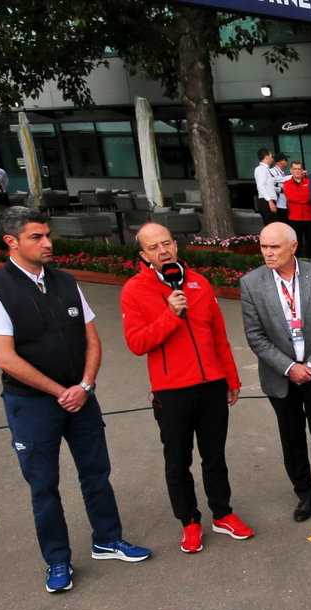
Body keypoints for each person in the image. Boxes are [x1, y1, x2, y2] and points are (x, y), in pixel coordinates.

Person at [0, 207, 150, 593]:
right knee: (44, 485)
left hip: (81, 398)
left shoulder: (66, 281)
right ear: (11, 241)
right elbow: (6, 358)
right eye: (37, 237)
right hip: (33, 407)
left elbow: (91, 338)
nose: (48, 243)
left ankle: (107, 539)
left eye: (47, 235)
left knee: (96, 472)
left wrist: (84, 386)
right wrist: (59, 392)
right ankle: (57, 560)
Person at [120, 223, 251, 554]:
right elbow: (136, 343)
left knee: (214, 456)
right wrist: (169, 314)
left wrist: (230, 379)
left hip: (211, 385)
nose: (163, 251)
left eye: (167, 243)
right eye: (154, 247)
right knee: (177, 460)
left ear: (176, 244)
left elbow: (218, 335)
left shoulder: (199, 282)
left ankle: (222, 513)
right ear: (144, 255)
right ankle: (189, 522)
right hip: (172, 391)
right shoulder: (134, 290)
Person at [238, 222, 311, 523]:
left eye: (274, 247)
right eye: (263, 246)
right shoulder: (251, 283)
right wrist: (290, 368)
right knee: (292, 439)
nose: (267, 253)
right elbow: (255, 336)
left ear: (293, 247)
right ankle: (305, 494)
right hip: (281, 377)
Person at [279, 162, 311, 256]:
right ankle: (298, 264)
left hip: (309, 217)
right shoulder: (287, 183)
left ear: (302, 170)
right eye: (295, 169)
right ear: (291, 170)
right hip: (295, 218)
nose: (297, 171)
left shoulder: (309, 182)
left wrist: (303, 198)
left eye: (299, 169)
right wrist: (305, 198)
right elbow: (291, 197)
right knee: (296, 243)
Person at [253, 148, 279, 216]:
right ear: (266, 157)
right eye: (271, 157)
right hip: (266, 201)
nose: (272, 159)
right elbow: (260, 186)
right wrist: (270, 201)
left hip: (269, 200)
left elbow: (269, 186)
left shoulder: (266, 169)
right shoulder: (261, 169)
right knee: (271, 224)